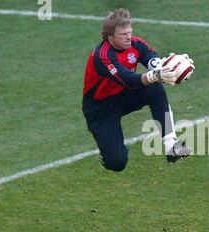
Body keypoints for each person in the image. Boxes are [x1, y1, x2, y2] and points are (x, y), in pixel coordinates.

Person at [82, 9, 192, 172]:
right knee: (117, 162)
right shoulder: (103, 56)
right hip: (100, 108)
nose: (128, 37)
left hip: (123, 96)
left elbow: (151, 58)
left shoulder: (136, 44)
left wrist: (166, 67)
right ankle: (107, 154)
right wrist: (156, 75)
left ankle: (171, 146)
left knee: (155, 88)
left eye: (129, 32)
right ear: (110, 36)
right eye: (123, 34)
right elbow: (129, 80)